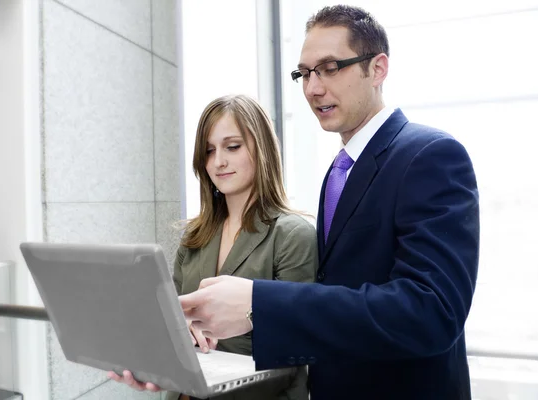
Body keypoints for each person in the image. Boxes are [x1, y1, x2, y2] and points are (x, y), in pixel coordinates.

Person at [178, 5, 480, 400]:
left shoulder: (431, 154)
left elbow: (431, 313)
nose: (312, 88)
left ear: (378, 68)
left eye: (330, 67)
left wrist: (258, 303)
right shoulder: (340, 171)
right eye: (304, 73)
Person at [108, 94, 317, 400]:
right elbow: (173, 326)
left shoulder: (292, 235)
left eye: (232, 147)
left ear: (262, 149)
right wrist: (152, 361)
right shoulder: (195, 236)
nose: (218, 161)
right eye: (209, 151)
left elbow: (296, 348)